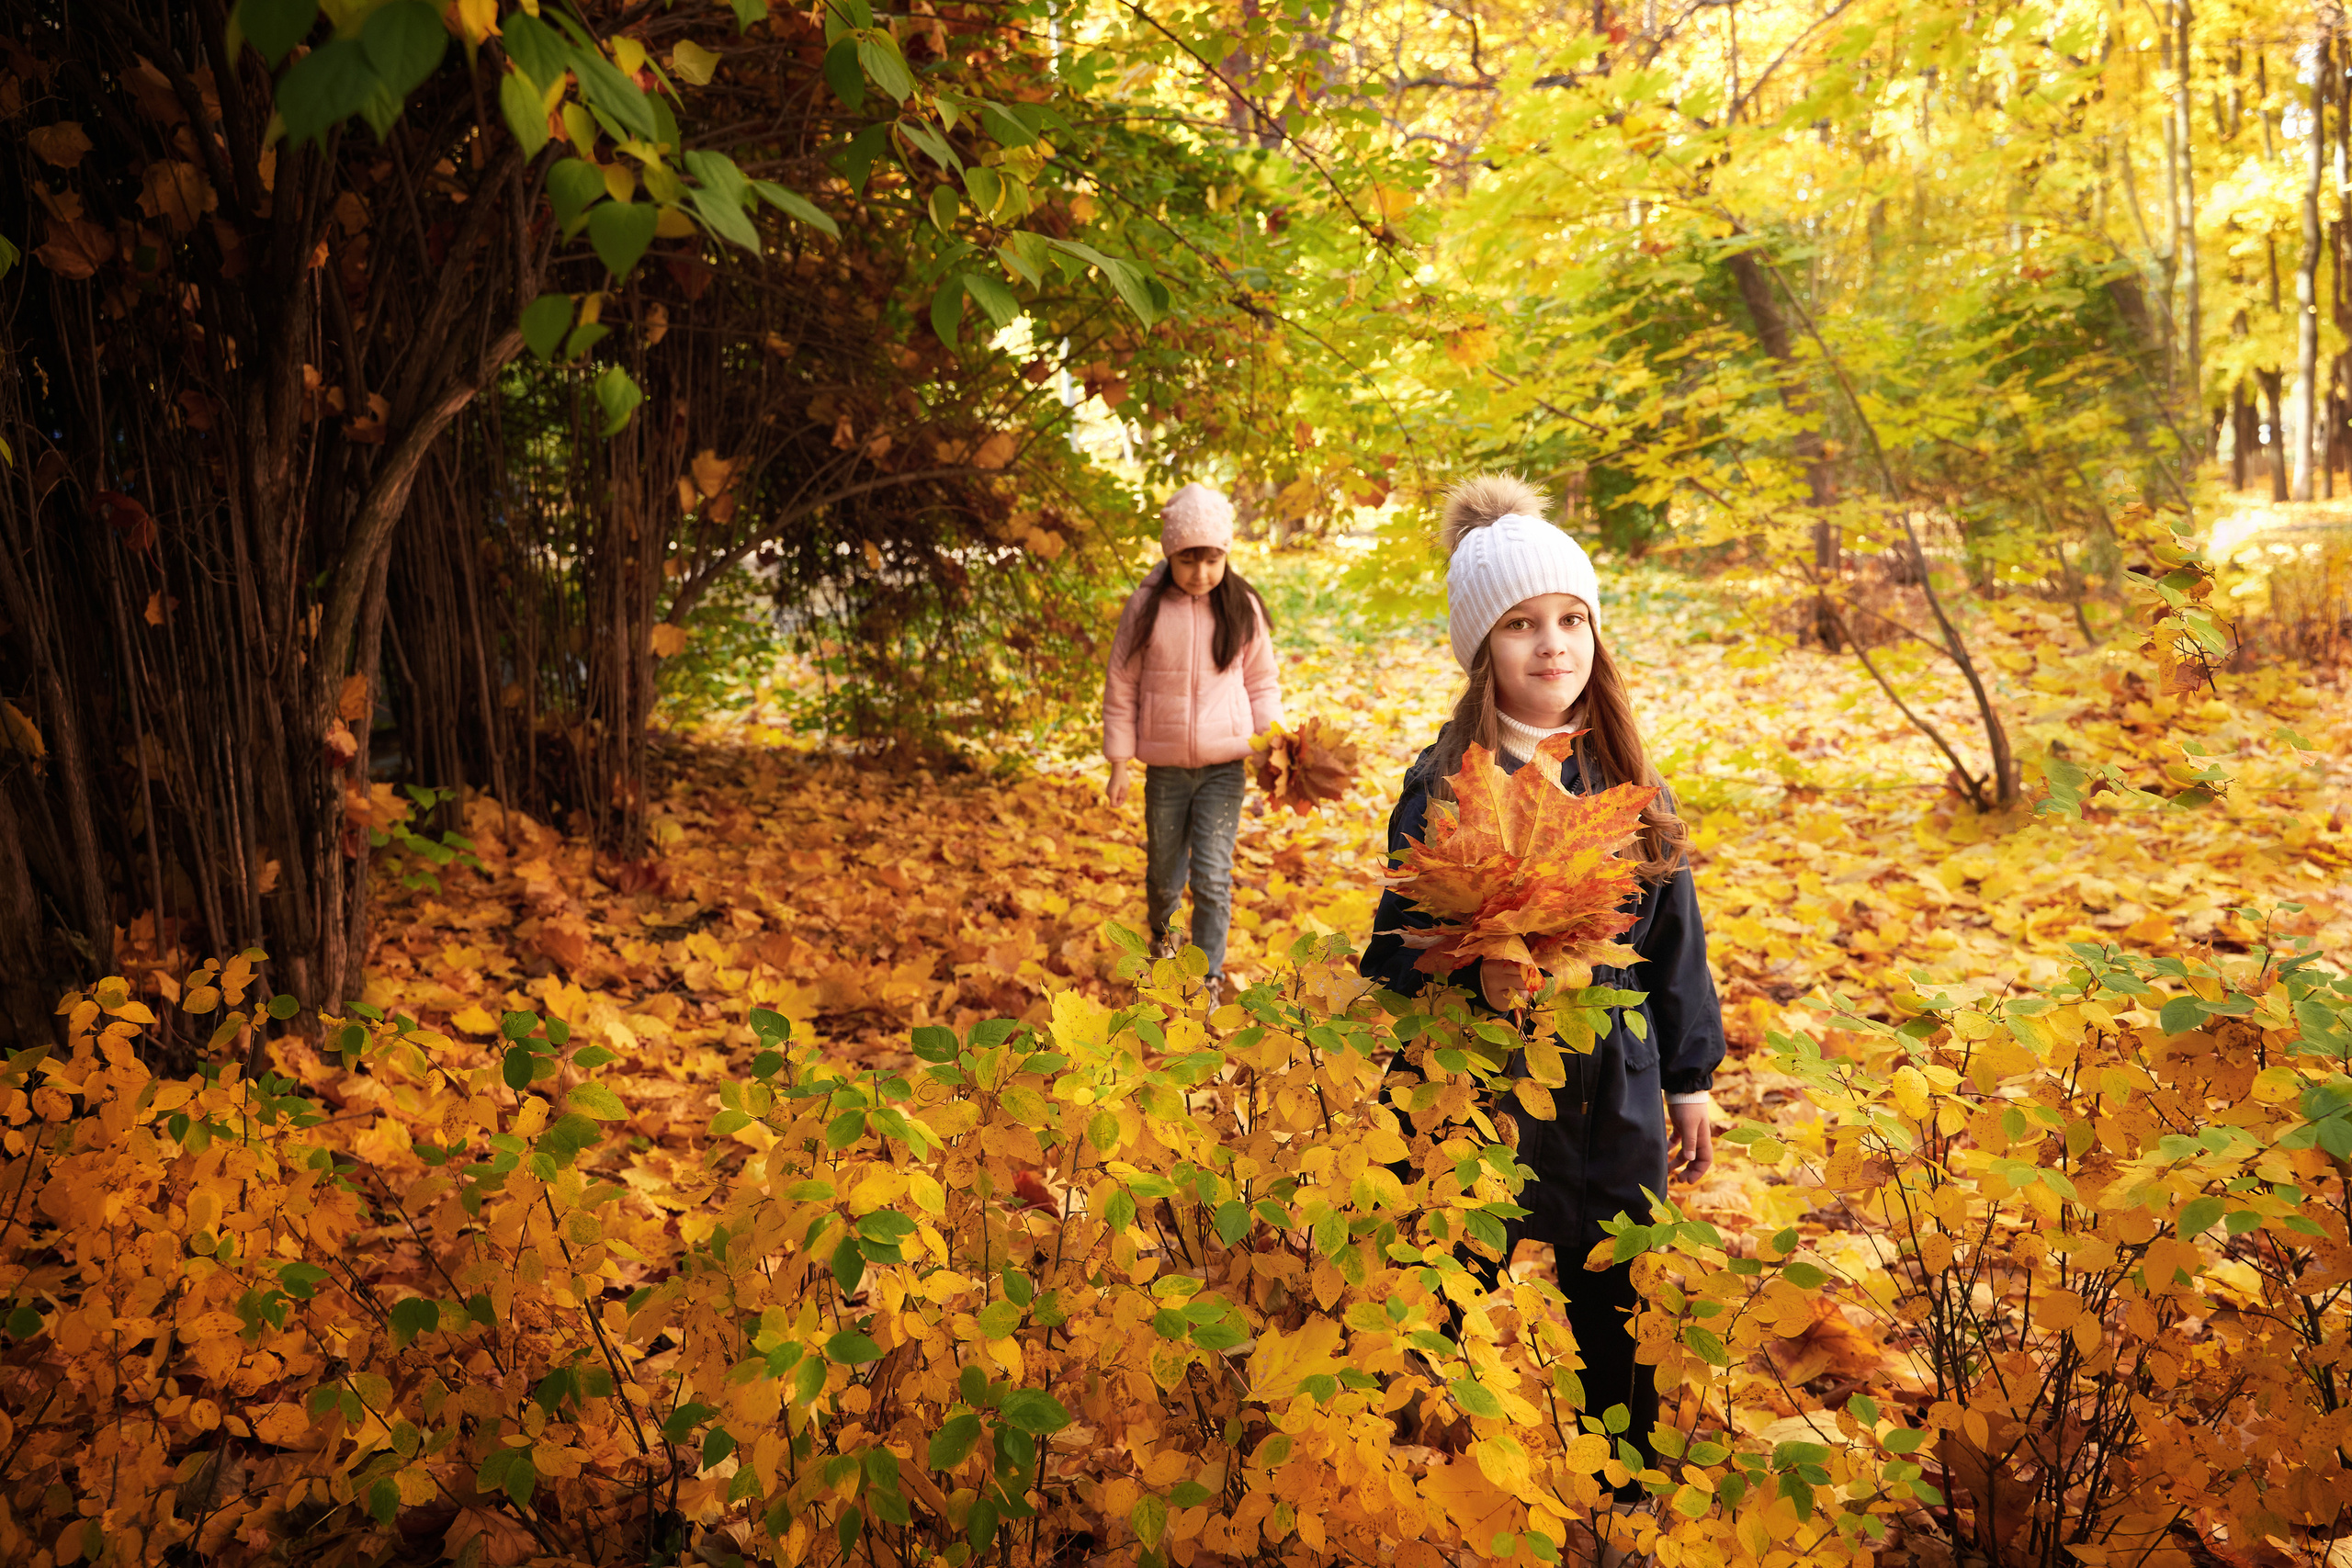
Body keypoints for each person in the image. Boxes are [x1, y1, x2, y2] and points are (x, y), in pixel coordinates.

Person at [1359, 474, 1724, 1500]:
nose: (1551, 644)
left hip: (1611, 1090)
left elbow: (1674, 943)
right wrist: (1470, 948)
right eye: (1521, 625)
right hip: (1475, 1092)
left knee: (1614, 1295)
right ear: (1483, 651)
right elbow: (1392, 951)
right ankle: (1411, 1475)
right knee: (1444, 1283)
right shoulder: (1439, 787)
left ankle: (1631, 1486)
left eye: (1571, 619)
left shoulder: (1630, 786)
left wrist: (1689, 1077)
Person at [1103, 483, 1283, 1005]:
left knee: (1210, 875)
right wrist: (1118, 762)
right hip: (1164, 770)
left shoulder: (1241, 607)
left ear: (1225, 555)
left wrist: (1274, 748)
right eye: (1187, 560)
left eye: (1211, 559)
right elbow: (1122, 684)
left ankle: (1207, 972)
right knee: (1164, 875)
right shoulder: (1146, 607)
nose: (1200, 572)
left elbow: (1262, 684)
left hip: (1225, 766)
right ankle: (1165, 948)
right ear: (1169, 554)